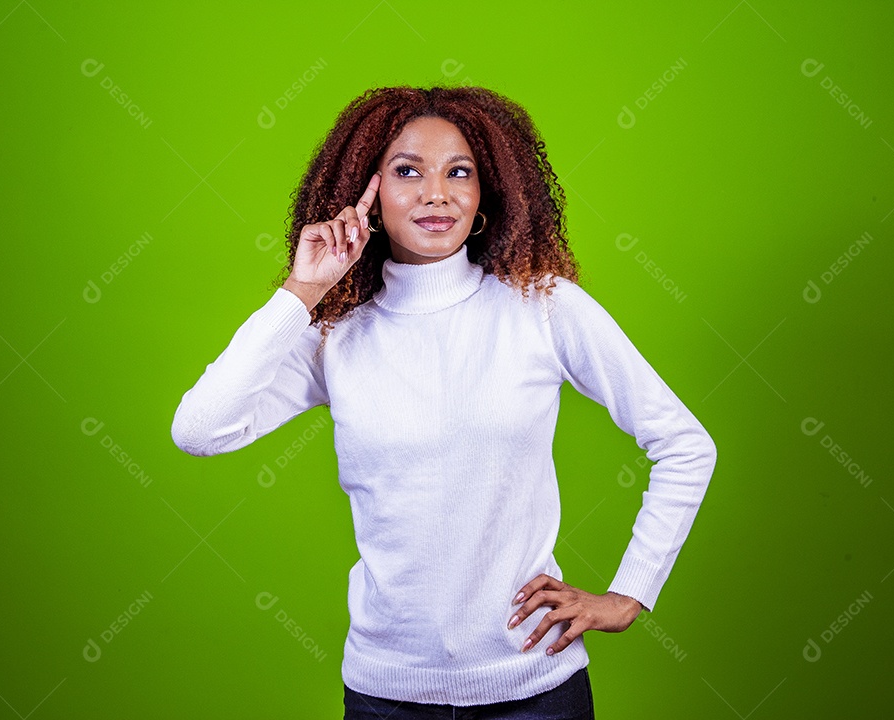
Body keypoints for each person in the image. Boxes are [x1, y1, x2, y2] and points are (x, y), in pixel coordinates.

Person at [171, 85, 717, 719]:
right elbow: (201, 429)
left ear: (487, 195)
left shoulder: (542, 306)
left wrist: (630, 593)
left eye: (460, 172)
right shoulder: (336, 335)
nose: (437, 193)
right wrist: (302, 290)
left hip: (534, 689)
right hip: (386, 693)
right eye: (407, 172)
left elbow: (683, 443)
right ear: (364, 193)